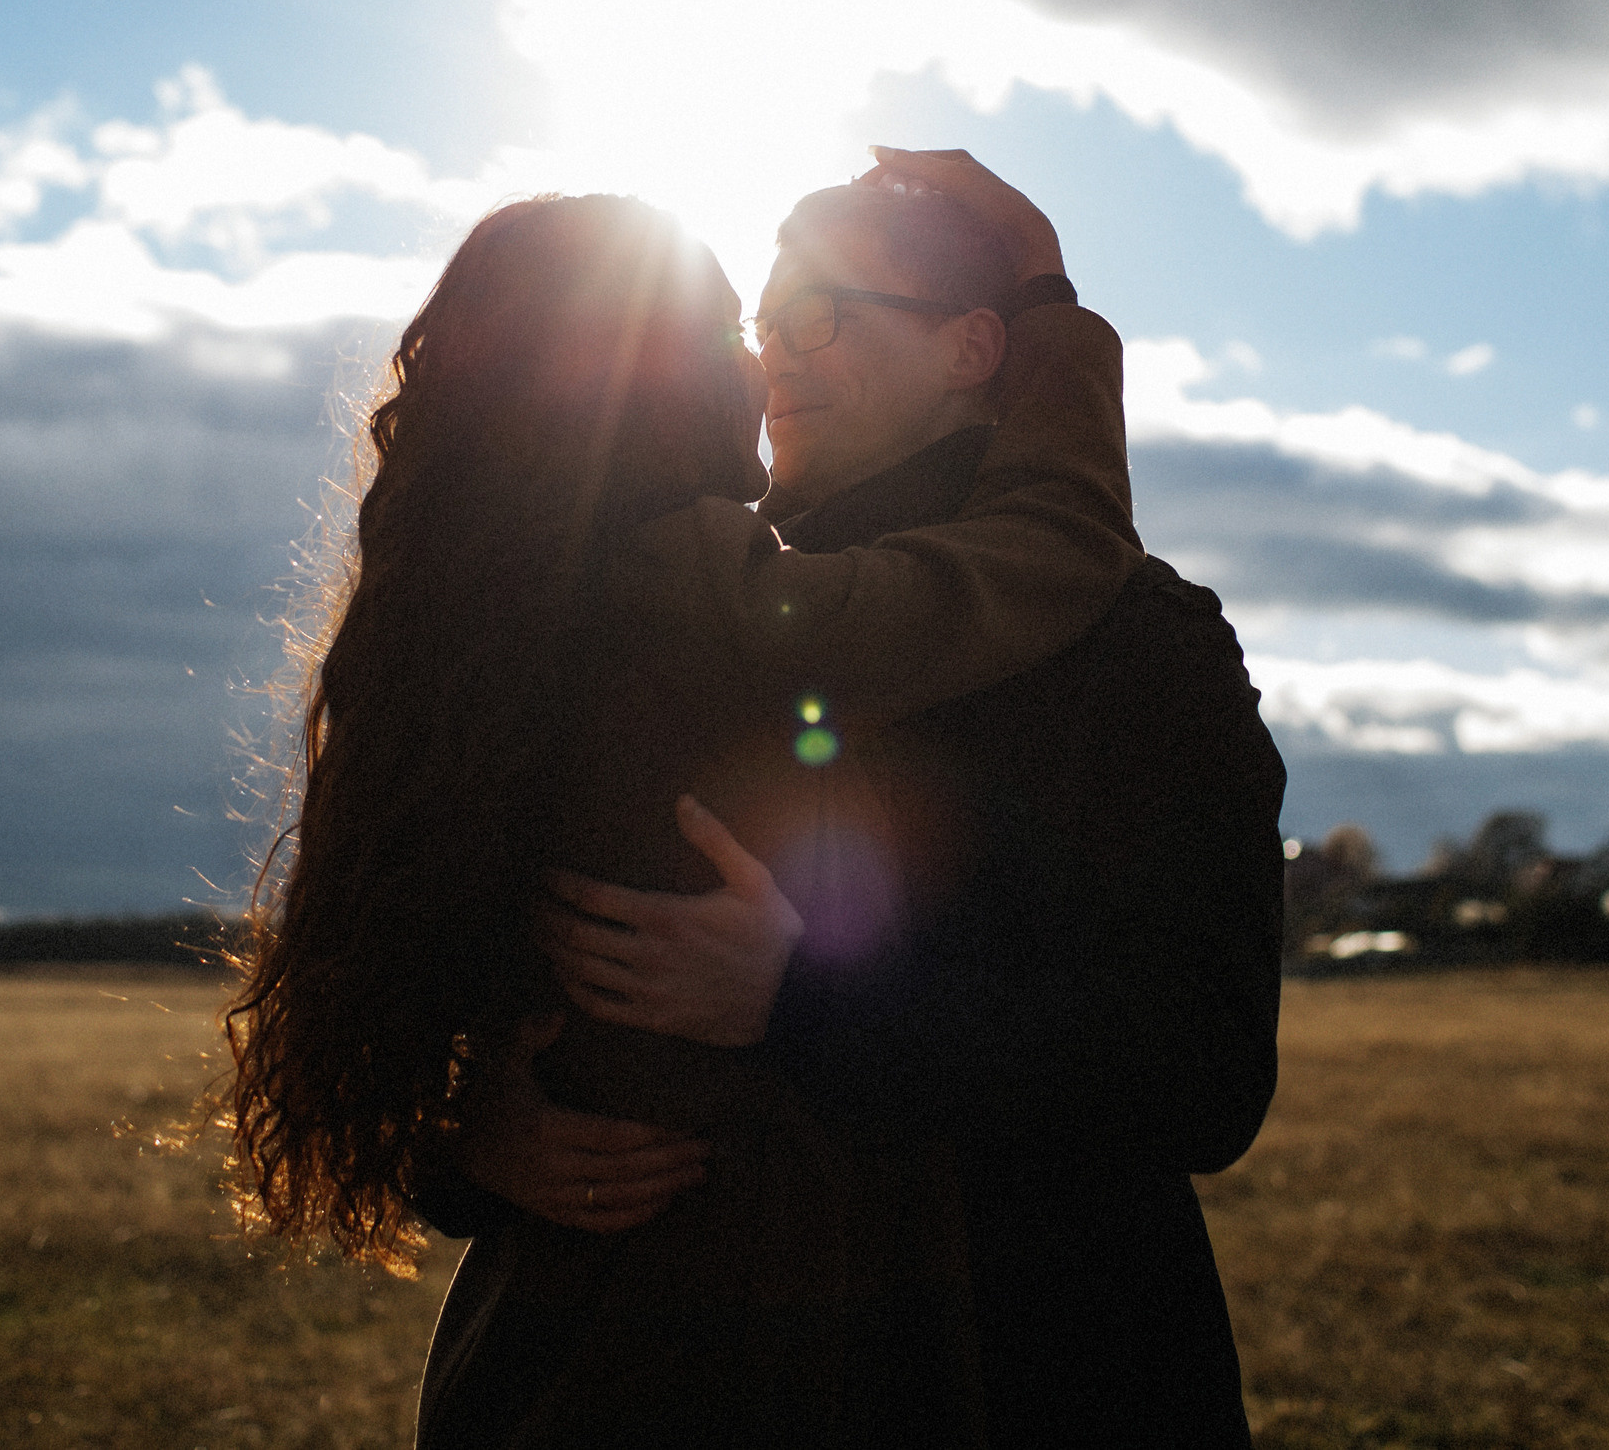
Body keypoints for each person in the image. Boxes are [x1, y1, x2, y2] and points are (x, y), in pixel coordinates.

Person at [222, 174, 1144, 1448]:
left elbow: (415, 986)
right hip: (726, 1352)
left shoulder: (464, 632)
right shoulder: (703, 597)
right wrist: (1049, 310)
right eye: (729, 333)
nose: (761, 368)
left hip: (532, 1349)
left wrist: (471, 1126)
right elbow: (1054, 543)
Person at [488, 149, 1288, 1448]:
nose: (770, 360)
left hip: (1029, 1373)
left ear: (975, 345)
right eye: (759, 325)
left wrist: (806, 999)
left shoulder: (1139, 641)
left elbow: (1201, 1073)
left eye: (821, 315)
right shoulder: (664, 597)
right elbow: (455, 930)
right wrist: (469, 1126)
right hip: (643, 1372)